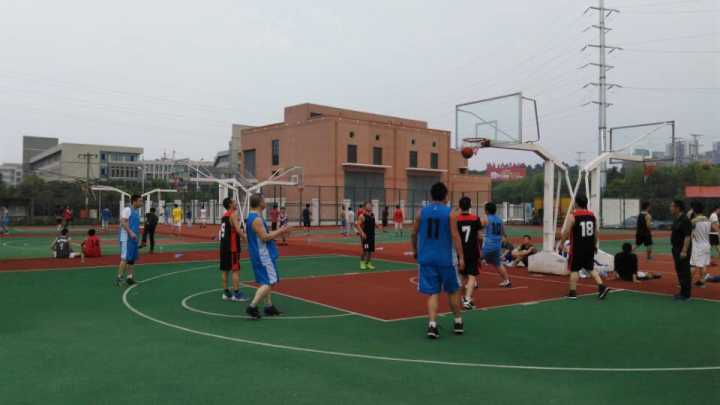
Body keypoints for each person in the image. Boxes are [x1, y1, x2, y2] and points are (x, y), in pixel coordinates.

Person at [411, 182, 465, 339]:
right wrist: (461, 256)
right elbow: (455, 235)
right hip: (446, 259)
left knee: (432, 293)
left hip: (426, 258)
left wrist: (415, 250)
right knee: (453, 291)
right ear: (446, 196)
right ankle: (458, 321)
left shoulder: (421, 212)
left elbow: (413, 233)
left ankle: (432, 325)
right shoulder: (451, 213)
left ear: (431, 195)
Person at [245, 194, 291, 319]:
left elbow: (265, 234)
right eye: (264, 200)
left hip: (258, 253)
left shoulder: (252, 217)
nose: (265, 202)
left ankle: (268, 306)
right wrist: (281, 231)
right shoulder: (257, 219)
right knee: (271, 281)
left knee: (265, 280)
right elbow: (265, 237)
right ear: (260, 203)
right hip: (263, 254)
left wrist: (279, 230)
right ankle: (252, 306)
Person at [560, 195, 610, 300]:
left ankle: (572, 292)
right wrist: (594, 245)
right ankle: (602, 286)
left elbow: (566, 231)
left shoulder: (573, 215)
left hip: (577, 247)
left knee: (574, 269)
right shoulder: (592, 215)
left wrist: (561, 243)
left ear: (576, 203)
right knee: (590, 267)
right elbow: (596, 232)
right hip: (589, 246)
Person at [456, 196, 482, 310]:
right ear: (470, 206)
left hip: (460, 251)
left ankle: (462, 298)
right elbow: (479, 236)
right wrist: (480, 248)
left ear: (459, 206)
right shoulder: (475, 218)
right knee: (472, 276)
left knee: (462, 276)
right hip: (472, 251)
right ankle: (467, 299)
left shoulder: (456, 219)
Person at [219, 197, 247, 302]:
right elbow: (238, 229)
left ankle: (226, 293)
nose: (236, 202)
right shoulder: (233, 214)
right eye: (234, 201)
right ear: (230, 204)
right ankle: (237, 294)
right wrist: (245, 237)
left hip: (223, 246)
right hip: (232, 248)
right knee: (235, 270)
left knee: (225, 270)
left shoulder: (224, 216)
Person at [481, 202, 512, 288]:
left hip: (488, 246)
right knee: (498, 264)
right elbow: (504, 233)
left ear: (487, 211)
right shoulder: (499, 220)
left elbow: (478, 228)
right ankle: (507, 280)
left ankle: (472, 281)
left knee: (474, 261)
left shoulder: (486, 219)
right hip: (497, 246)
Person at [116, 194, 142, 286]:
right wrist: (130, 232)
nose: (141, 203)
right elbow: (122, 221)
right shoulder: (127, 209)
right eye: (140, 201)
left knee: (131, 259)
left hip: (133, 239)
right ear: (134, 201)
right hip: (126, 238)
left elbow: (135, 226)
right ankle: (119, 279)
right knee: (125, 258)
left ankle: (129, 278)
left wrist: (138, 238)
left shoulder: (136, 211)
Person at [670, 200, 692, 300]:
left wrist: (684, 250)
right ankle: (682, 292)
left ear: (678, 208)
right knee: (680, 270)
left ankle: (686, 294)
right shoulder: (677, 219)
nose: (670, 208)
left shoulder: (684, 220)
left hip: (681, 249)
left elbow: (687, 236)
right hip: (676, 248)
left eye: (672, 206)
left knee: (684, 271)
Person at [690, 201, 711, 288]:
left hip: (698, 245)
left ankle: (687, 283)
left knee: (693, 264)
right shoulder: (708, 219)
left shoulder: (694, 221)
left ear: (694, 210)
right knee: (703, 264)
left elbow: (689, 232)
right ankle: (702, 282)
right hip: (706, 244)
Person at [356, 201, 376, 271]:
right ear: (365, 207)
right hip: (365, 236)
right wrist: (362, 233)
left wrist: (377, 225)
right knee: (365, 250)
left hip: (372, 235)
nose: (370, 206)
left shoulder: (372, 215)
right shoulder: (362, 216)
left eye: (370, 205)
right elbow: (358, 225)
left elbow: (373, 223)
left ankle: (368, 263)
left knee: (370, 251)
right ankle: (362, 263)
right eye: (368, 205)